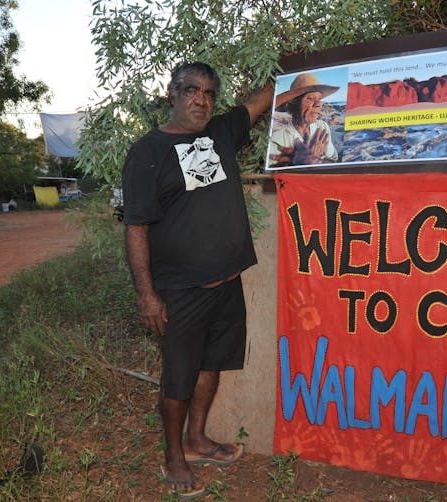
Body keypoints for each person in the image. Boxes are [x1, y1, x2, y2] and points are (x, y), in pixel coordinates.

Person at [121, 61, 273, 499]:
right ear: (172, 94)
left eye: (208, 92)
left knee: (211, 366)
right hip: (180, 290)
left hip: (226, 283)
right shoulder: (147, 153)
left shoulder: (219, 134)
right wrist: (147, 294)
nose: (200, 99)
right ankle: (174, 454)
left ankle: (197, 440)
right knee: (178, 378)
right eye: (191, 90)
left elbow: (259, 102)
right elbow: (136, 227)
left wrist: (293, 67)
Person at [268, 72, 340, 167]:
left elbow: (334, 161)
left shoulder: (322, 127)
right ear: (294, 104)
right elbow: (275, 176)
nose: (319, 104)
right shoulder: (276, 139)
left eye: (319, 98)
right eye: (310, 98)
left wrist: (318, 161)